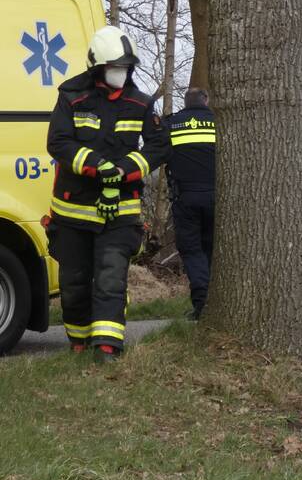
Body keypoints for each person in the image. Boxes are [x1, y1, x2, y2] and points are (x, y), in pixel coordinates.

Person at [45, 25, 170, 362]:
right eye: (116, 67)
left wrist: (125, 170)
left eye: (126, 68)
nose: (122, 73)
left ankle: (107, 347)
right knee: (74, 282)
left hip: (121, 211)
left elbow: (158, 146)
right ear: (97, 67)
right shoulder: (71, 96)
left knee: (111, 278)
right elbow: (58, 142)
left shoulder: (142, 103)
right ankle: (79, 342)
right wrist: (97, 165)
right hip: (72, 212)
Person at [166, 87, 216, 319]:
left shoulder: (173, 123)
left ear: (186, 103)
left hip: (185, 198)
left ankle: (201, 304)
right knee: (211, 249)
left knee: (192, 250)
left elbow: (159, 152)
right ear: (206, 101)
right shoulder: (219, 122)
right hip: (217, 199)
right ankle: (214, 302)